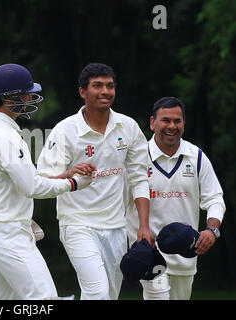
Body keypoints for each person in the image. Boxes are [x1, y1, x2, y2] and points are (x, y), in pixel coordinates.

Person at [0, 63, 97, 300]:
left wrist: (64, 175)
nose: (31, 97)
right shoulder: (6, 136)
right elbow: (31, 187)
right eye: (26, 93)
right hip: (8, 235)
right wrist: (75, 184)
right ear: (10, 98)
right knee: (45, 300)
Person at [36, 63, 154, 300]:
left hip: (116, 227)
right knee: (97, 293)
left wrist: (143, 226)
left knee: (109, 295)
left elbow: (140, 178)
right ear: (82, 92)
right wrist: (70, 173)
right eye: (97, 86)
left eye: (110, 86)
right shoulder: (65, 130)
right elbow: (42, 180)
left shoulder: (128, 126)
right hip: (78, 225)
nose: (105, 91)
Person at [125, 96, 226, 300]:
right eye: (165, 120)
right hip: (150, 255)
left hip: (187, 253)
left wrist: (212, 230)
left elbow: (215, 198)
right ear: (152, 123)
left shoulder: (196, 157)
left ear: (184, 124)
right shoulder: (136, 158)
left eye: (177, 121)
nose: (172, 126)